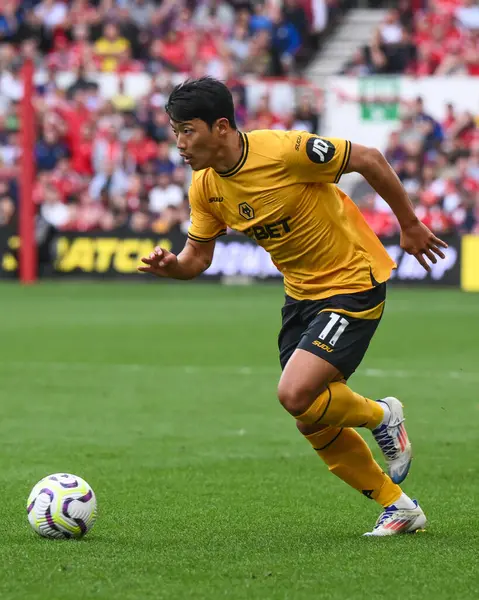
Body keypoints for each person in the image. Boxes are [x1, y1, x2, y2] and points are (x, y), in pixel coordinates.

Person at [138, 77, 448, 536]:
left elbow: (368, 158)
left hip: (353, 280)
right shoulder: (204, 187)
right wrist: (172, 267)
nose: (180, 143)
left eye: (188, 131)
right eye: (175, 131)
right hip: (301, 295)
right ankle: (399, 507)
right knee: (310, 417)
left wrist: (410, 224)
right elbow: (197, 258)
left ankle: (384, 416)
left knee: (293, 394)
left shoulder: (283, 151)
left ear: (221, 127)